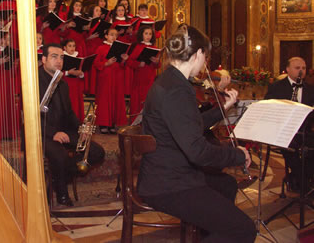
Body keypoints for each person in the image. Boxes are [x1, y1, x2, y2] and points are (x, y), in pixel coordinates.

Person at [137, 24, 256, 243]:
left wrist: (222, 109)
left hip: (169, 172)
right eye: (206, 56)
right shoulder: (177, 89)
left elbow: (189, 124)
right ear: (199, 54)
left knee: (227, 185)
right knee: (244, 230)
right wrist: (237, 154)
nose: (205, 63)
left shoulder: (170, 80)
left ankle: (210, 232)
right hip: (168, 183)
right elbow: (197, 152)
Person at [39, 44, 105, 206]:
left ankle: (59, 177)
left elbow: (68, 113)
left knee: (97, 152)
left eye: (62, 57)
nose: (59, 61)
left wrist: (81, 130)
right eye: (54, 57)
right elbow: (32, 115)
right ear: (44, 59)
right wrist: (52, 133)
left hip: (64, 131)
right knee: (60, 156)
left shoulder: (62, 83)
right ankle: (62, 193)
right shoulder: (34, 81)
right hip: (41, 133)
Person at [265, 56, 314, 191]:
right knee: (290, 149)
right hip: (283, 131)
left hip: (304, 130)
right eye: (297, 68)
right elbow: (268, 108)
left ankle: (298, 178)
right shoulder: (276, 87)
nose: (301, 71)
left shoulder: (310, 88)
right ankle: (304, 184)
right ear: (287, 69)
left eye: (303, 68)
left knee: (311, 150)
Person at [94, 28, 128, 134]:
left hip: (117, 77)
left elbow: (122, 65)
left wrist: (124, 59)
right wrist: (106, 64)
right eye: (111, 34)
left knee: (115, 99)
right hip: (105, 77)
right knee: (105, 100)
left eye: (116, 35)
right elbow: (95, 63)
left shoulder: (119, 48)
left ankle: (113, 123)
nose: (114, 37)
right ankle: (104, 124)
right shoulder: (100, 48)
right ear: (106, 36)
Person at [126, 26, 161, 122]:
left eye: (150, 34)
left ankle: (148, 124)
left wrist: (156, 61)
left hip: (150, 78)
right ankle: (136, 124)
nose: (148, 36)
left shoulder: (154, 48)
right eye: (146, 33)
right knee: (138, 101)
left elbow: (158, 66)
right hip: (139, 78)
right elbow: (129, 62)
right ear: (141, 34)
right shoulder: (138, 47)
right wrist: (138, 64)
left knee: (149, 100)